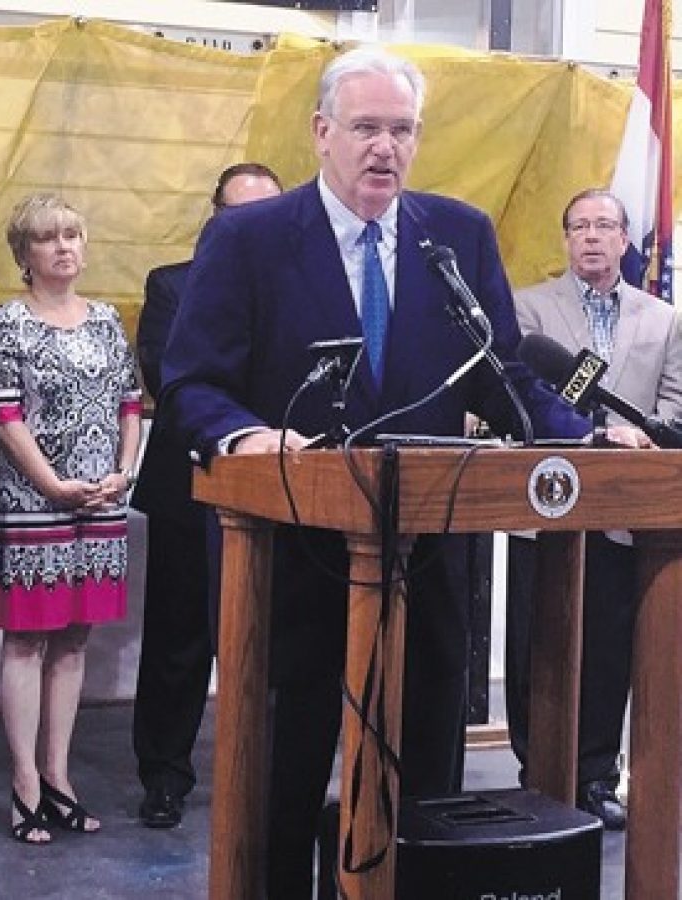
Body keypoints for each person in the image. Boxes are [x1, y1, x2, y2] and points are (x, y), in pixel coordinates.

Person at [157, 47, 649, 899]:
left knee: (425, 788)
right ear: (322, 133)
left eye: (402, 130)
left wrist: (587, 436)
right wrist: (244, 436)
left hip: (424, 558)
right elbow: (191, 381)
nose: (384, 148)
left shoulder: (453, 233)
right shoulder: (250, 238)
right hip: (291, 558)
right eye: (366, 129)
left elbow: (506, 377)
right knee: (283, 780)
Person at [506, 188, 682, 830]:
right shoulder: (528, 308)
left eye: (604, 225)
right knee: (537, 648)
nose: (591, 237)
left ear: (626, 239)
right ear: (565, 238)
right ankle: (538, 776)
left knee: (608, 652)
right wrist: (587, 430)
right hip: (544, 506)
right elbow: (523, 401)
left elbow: (672, 407)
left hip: (624, 513)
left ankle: (597, 777)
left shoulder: (662, 318)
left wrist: (640, 435)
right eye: (578, 225)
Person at [0, 194, 143, 844]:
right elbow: (2, 411)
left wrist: (124, 471)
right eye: (48, 238)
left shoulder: (105, 320)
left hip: (101, 502)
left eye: (73, 234)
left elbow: (132, 401)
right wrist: (51, 483)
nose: (64, 247)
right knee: (26, 639)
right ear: (25, 254)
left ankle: (59, 778)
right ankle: (23, 785)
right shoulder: (7, 322)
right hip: (32, 504)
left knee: (74, 640)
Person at [131, 163, 283, 829]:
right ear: (214, 214)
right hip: (192, 484)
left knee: (275, 640)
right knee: (179, 639)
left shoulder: (304, 288)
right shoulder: (172, 285)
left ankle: (271, 774)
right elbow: (174, 377)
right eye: (237, 211)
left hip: (283, 487)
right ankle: (164, 775)